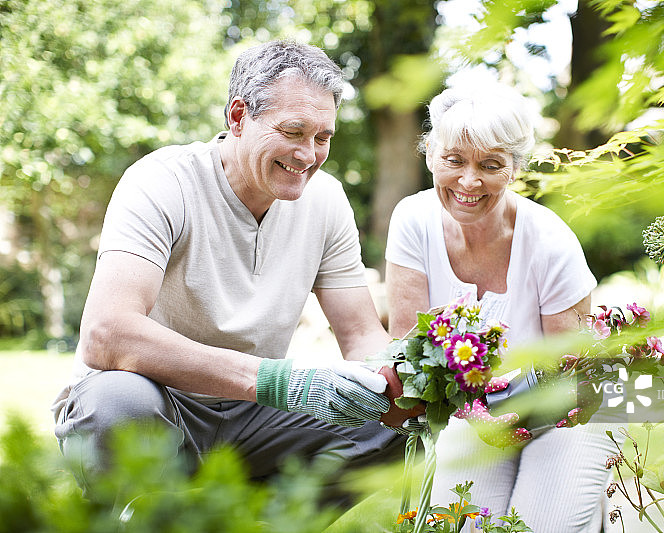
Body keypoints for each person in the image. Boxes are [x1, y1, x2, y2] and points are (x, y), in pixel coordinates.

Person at [52, 40, 406, 490]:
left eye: (323, 138)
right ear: (238, 117)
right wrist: (279, 381)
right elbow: (107, 333)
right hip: (160, 398)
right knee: (118, 401)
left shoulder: (327, 200)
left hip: (253, 416)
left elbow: (360, 333)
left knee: (387, 422)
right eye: (293, 132)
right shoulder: (162, 181)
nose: (308, 155)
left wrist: (418, 381)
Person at [385, 82, 618, 531]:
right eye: (454, 161)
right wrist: (474, 414)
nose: (469, 182)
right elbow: (409, 352)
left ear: (514, 167)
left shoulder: (548, 241)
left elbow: (571, 376)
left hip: (569, 415)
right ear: (432, 153)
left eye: (490, 165)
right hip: (473, 417)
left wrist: (504, 411)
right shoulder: (412, 220)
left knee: (539, 526)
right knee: (463, 524)